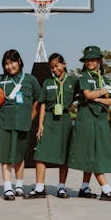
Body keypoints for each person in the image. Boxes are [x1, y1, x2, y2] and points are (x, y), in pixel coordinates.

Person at [0, 49, 41, 201]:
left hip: (22, 124)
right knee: (5, 156)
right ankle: (7, 188)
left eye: (12, 62)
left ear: (19, 62)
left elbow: (38, 100)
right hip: (4, 122)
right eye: (6, 64)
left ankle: (19, 186)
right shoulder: (0, 79)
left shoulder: (30, 80)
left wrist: (31, 116)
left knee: (19, 156)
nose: (10, 66)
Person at [68, 46, 111, 201]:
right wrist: (103, 92)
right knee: (93, 155)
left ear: (99, 61)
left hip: (100, 119)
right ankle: (106, 190)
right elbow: (88, 94)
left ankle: (84, 187)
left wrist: (99, 98)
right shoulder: (84, 77)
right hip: (87, 118)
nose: (90, 62)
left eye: (93, 59)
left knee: (94, 153)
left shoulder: (104, 79)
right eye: (87, 59)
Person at [24, 53, 78, 199]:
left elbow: (82, 97)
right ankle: (40, 187)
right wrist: (40, 124)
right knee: (40, 153)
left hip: (65, 119)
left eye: (57, 66)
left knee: (64, 155)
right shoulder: (47, 82)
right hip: (49, 118)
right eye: (52, 67)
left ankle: (61, 187)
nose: (55, 69)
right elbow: (41, 104)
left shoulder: (73, 81)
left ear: (64, 64)